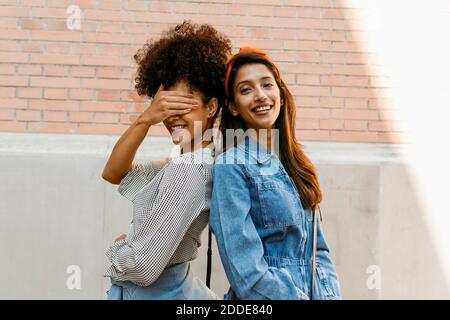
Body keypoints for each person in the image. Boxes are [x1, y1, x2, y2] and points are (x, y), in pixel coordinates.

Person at [102, 21, 231, 300]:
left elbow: (143, 267)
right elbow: (114, 173)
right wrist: (146, 119)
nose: (172, 116)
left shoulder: (189, 170)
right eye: (165, 106)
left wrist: (117, 249)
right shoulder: (181, 162)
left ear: (212, 106)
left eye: (183, 105)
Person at [210, 47, 341, 300]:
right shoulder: (232, 166)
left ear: (279, 92)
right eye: (246, 90)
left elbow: (319, 251)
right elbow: (246, 275)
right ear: (233, 107)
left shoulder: (295, 162)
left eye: (267, 85)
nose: (260, 95)